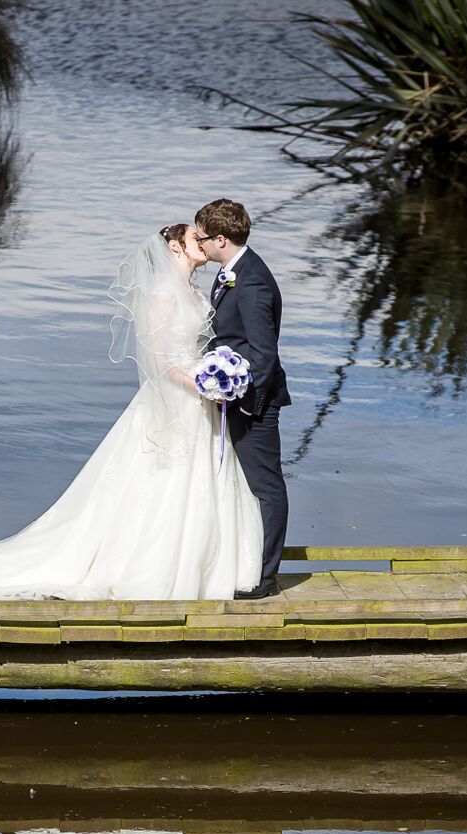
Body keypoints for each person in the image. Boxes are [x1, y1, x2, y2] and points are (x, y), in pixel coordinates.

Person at [0, 224, 263, 601]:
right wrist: (201, 385)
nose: (202, 241)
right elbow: (160, 363)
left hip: (201, 404)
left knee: (201, 482)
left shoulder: (195, 292)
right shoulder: (161, 295)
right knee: (162, 480)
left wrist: (217, 376)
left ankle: (206, 570)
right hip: (177, 398)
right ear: (175, 247)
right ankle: (153, 569)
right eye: (195, 237)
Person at [194, 198, 291, 600]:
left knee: (266, 486)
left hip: (254, 403)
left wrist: (245, 400)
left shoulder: (251, 281)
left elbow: (264, 355)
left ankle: (265, 577)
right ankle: (244, 564)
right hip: (236, 398)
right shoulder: (233, 272)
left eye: (202, 238)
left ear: (220, 239)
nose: (198, 244)